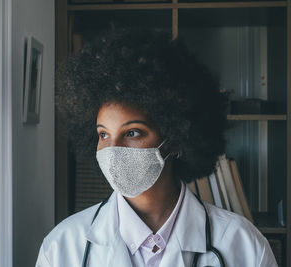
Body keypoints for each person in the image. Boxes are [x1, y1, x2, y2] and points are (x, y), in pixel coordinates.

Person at [35, 27, 277, 267]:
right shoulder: (61, 248)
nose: (113, 149)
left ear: (174, 139)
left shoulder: (244, 246)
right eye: (103, 134)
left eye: (132, 132)